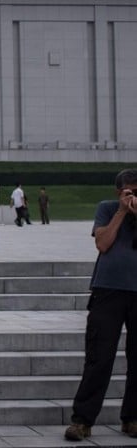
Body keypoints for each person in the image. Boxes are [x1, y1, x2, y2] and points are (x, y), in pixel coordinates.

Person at [64, 169, 137, 442]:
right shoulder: (107, 209)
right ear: (118, 192)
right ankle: (82, 420)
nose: (133, 196)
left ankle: (132, 418)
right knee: (99, 357)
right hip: (108, 290)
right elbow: (102, 243)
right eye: (129, 191)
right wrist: (121, 212)